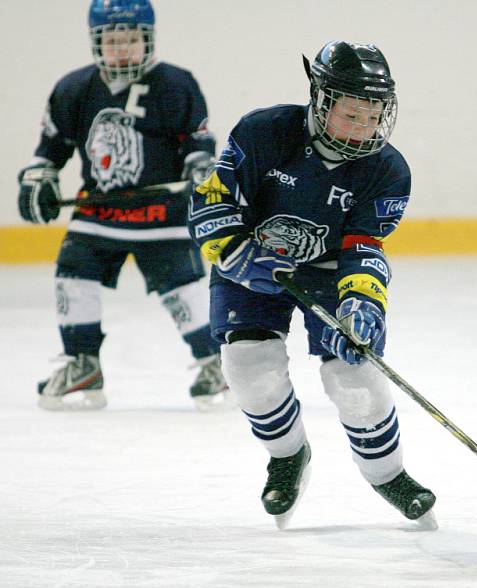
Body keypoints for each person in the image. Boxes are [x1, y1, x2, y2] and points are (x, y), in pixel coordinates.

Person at [188, 40, 436, 528]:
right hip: (252, 263)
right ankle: (287, 456)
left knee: (356, 380)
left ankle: (389, 476)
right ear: (320, 99)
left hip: (327, 273)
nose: (364, 129)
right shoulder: (263, 131)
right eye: (351, 114)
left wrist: (364, 303)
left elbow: (364, 247)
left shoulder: (387, 169)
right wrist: (235, 254)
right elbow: (212, 202)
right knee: (248, 368)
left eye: (373, 116)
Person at [18, 0, 229, 412]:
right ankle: (84, 363)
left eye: (131, 39)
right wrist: (38, 178)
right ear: (96, 42)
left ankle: (214, 364)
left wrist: (200, 168)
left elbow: (197, 141)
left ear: (147, 39)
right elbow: (51, 148)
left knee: (184, 291)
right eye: (112, 40)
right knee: (72, 277)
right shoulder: (73, 88)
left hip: (161, 213)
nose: (122, 49)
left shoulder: (175, 84)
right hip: (99, 212)